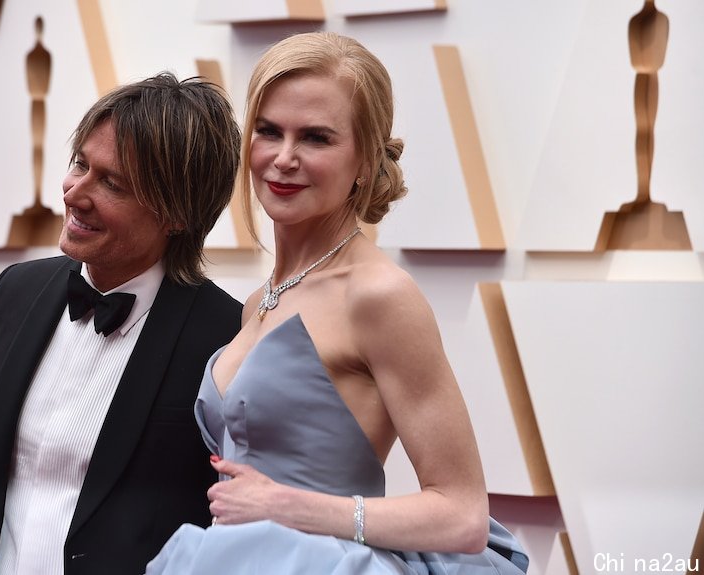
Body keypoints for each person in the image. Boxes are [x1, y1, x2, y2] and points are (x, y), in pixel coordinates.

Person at [146, 32, 529, 574]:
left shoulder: (379, 295)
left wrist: (288, 507)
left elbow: (462, 516)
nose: (283, 158)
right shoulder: (259, 299)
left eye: (316, 138)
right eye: (268, 131)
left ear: (365, 160)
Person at [0, 73, 243, 575]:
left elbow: (230, 530)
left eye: (111, 183)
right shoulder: (16, 292)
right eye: (79, 164)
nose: (75, 193)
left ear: (177, 213)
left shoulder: (226, 338)